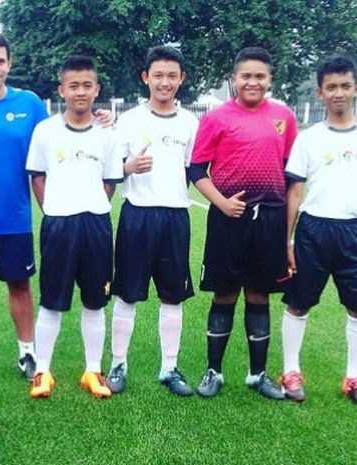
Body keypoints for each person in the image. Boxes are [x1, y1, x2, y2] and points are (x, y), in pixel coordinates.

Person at [0, 32, 113, 380]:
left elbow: (63, 129)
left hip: (15, 219)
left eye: (0, 61)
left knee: (20, 286)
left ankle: (28, 354)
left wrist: (102, 117)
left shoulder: (30, 105)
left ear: (9, 64)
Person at [188, 47, 297, 399]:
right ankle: (213, 372)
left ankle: (257, 374)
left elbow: (290, 171)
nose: (253, 82)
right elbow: (195, 170)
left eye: (260, 76)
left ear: (269, 79)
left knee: (259, 294)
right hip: (228, 219)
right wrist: (221, 202)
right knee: (224, 293)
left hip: (269, 220)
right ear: (233, 80)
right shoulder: (216, 118)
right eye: (246, 76)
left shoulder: (284, 117)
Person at [26, 55, 122, 399]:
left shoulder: (108, 136)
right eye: (73, 85)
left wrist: (93, 204)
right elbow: (37, 176)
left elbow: (110, 181)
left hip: (95, 224)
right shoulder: (45, 131)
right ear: (61, 89)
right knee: (51, 301)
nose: (80, 92)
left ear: (96, 89)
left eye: (87, 85)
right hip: (58, 225)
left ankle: (92, 370)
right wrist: (52, 209)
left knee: (95, 302)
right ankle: (42, 371)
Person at [106, 46, 197, 397]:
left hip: (175, 217)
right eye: (158, 75)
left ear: (181, 79)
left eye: (172, 76)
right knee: (127, 294)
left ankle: (169, 367)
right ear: (146, 77)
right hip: (137, 217)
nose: (165, 82)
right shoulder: (128, 120)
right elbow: (111, 168)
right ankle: (118, 363)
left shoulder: (191, 122)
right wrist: (128, 168)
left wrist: (171, 195)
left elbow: (192, 170)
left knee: (172, 297)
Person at [280, 55, 357, 404]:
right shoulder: (308, 139)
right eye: (331, 87)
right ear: (320, 92)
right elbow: (295, 191)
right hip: (313, 230)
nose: (338, 93)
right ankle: (291, 372)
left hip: (353, 230)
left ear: (354, 88)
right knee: (298, 303)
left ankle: (353, 377)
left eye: (345, 85)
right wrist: (289, 239)